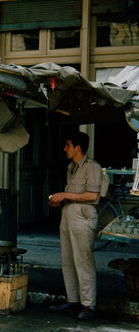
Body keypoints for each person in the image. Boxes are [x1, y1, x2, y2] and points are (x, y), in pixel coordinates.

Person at [48, 131, 102, 320]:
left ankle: (89, 304)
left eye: (68, 145)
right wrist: (60, 199)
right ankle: (73, 301)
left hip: (83, 216)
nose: (65, 149)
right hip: (68, 214)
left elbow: (92, 195)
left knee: (83, 261)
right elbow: (72, 194)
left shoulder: (92, 167)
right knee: (68, 260)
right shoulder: (72, 167)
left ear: (78, 147)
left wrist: (65, 195)